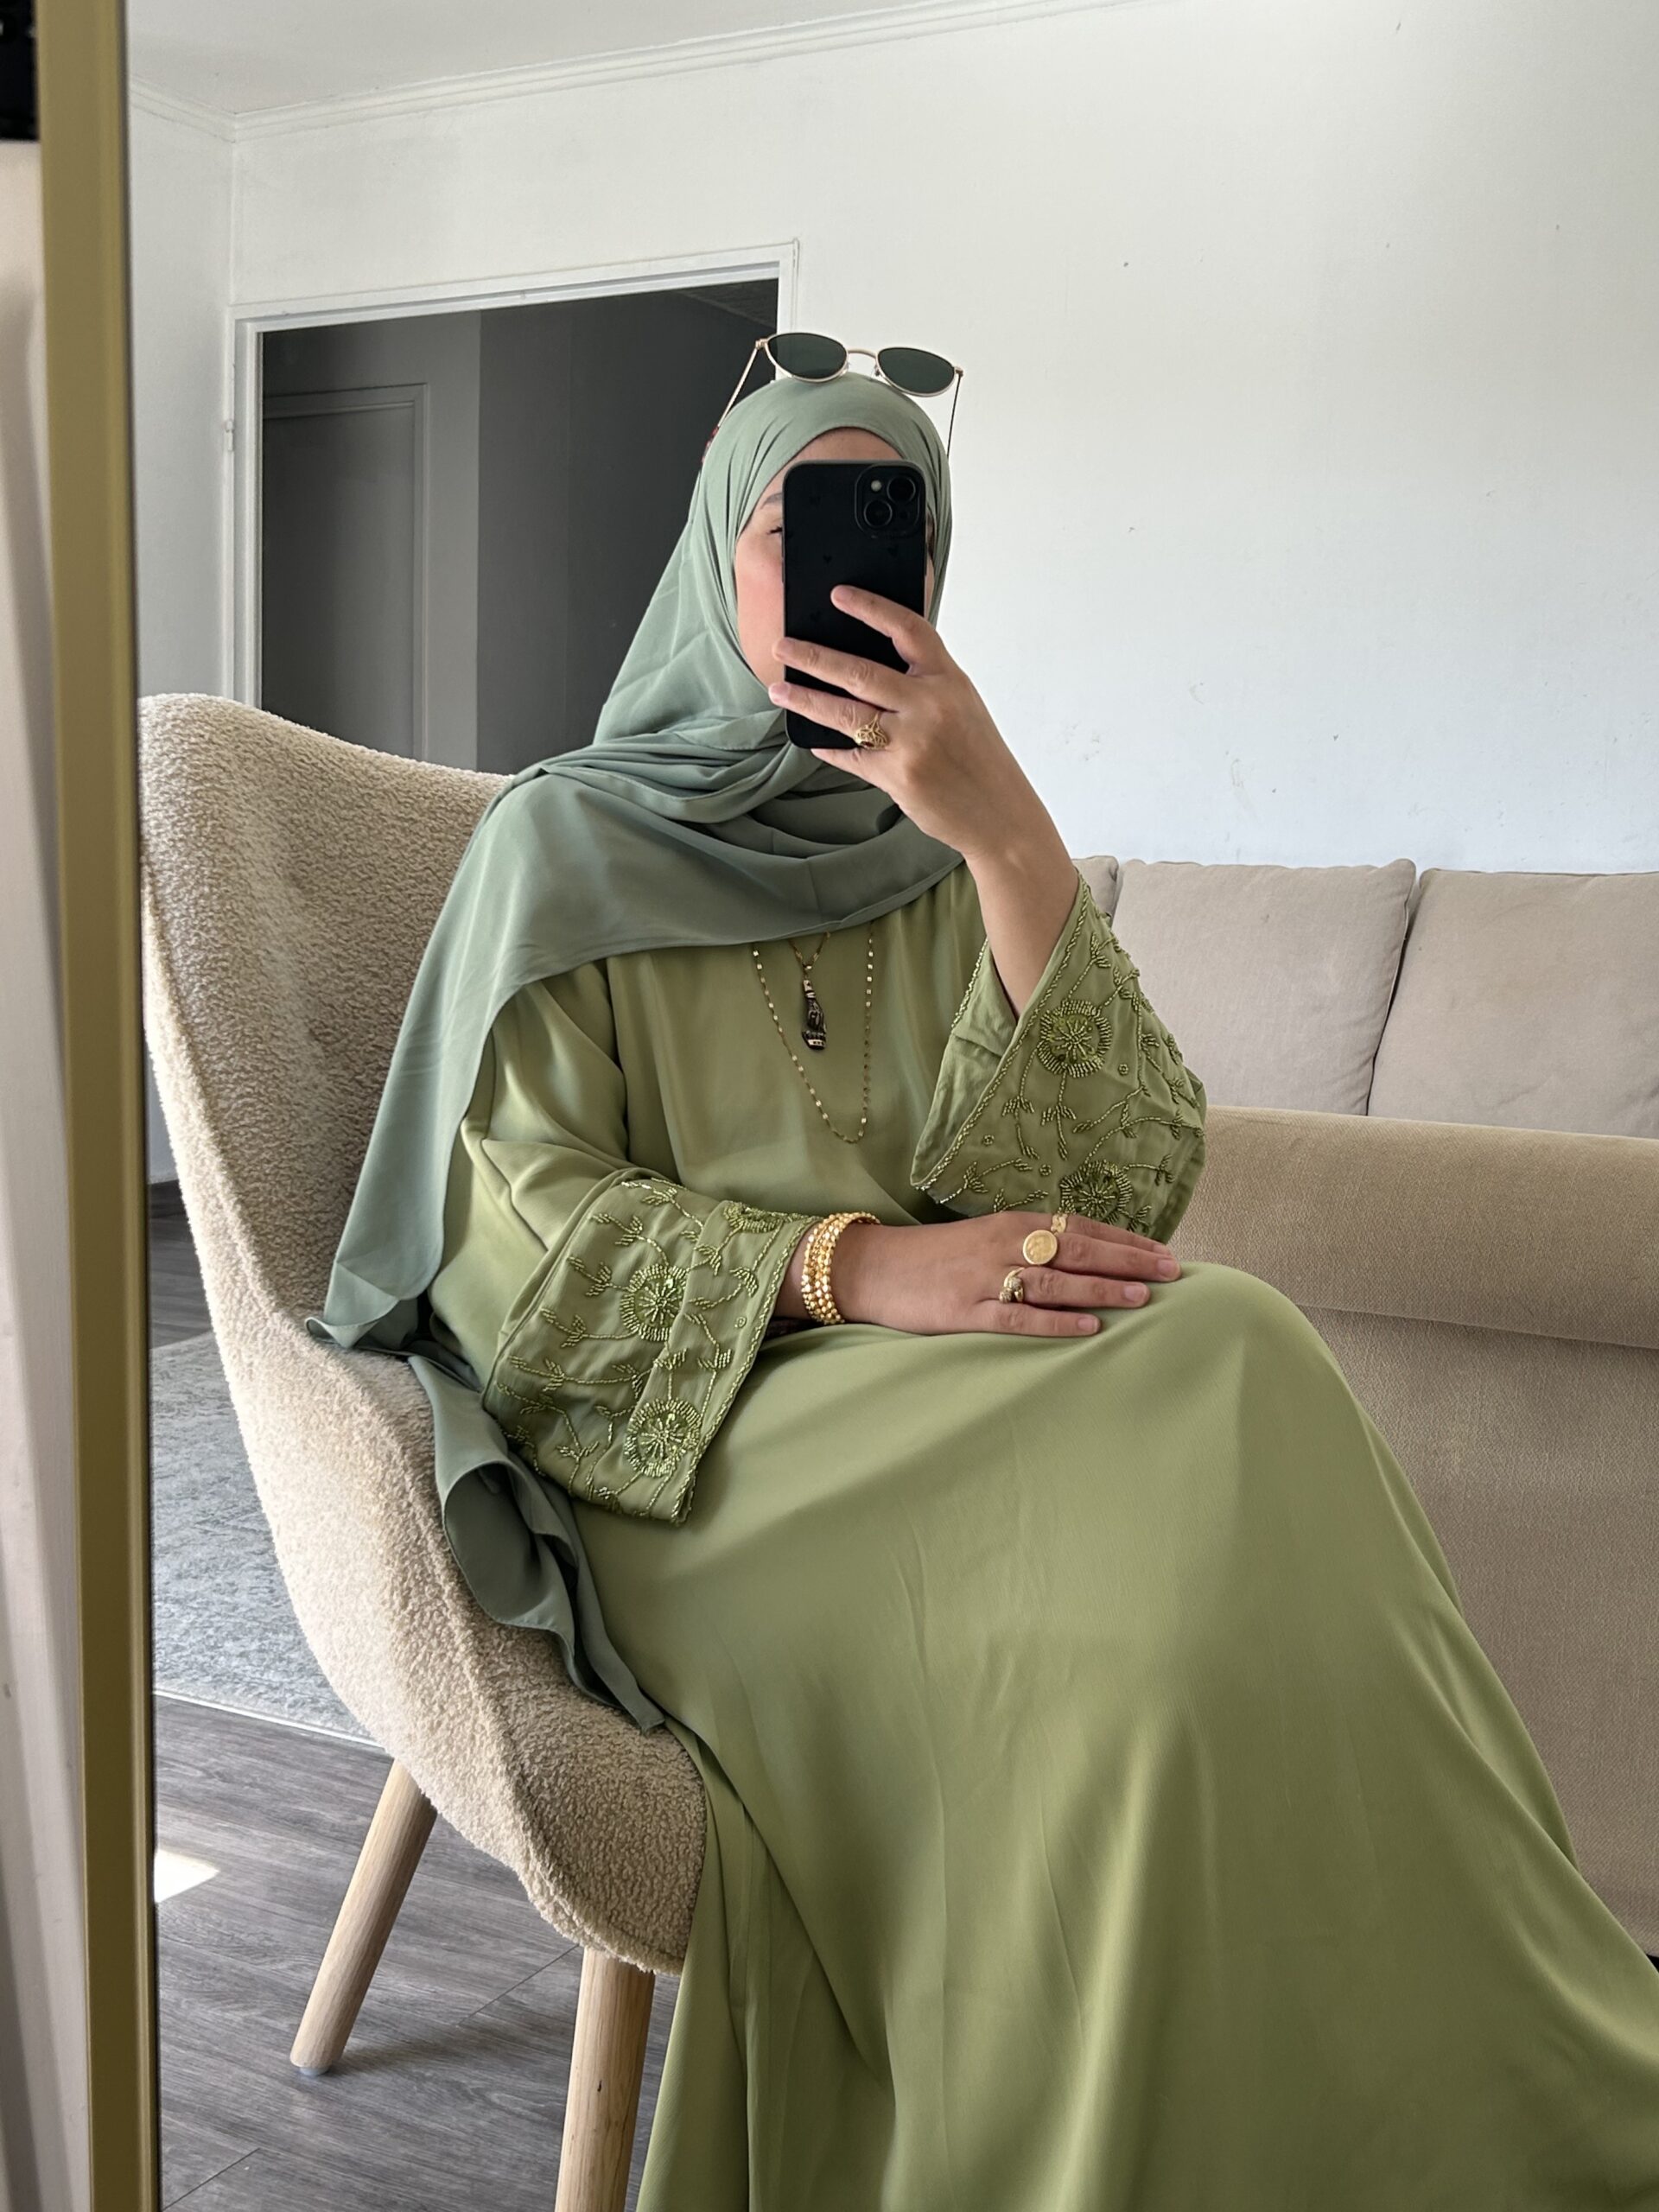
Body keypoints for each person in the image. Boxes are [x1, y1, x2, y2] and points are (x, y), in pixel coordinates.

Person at [310, 369, 1659, 2208]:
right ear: (713, 552)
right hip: (698, 1450)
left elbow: (1118, 1190)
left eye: (901, 538)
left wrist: (1008, 834)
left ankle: (1416, 2079)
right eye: (798, 527)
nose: (850, 576)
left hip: (935, 1417)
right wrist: (855, 1262)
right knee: (1177, 1536)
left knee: (1234, 1350)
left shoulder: (925, 851)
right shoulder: (556, 846)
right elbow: (515, 1248)